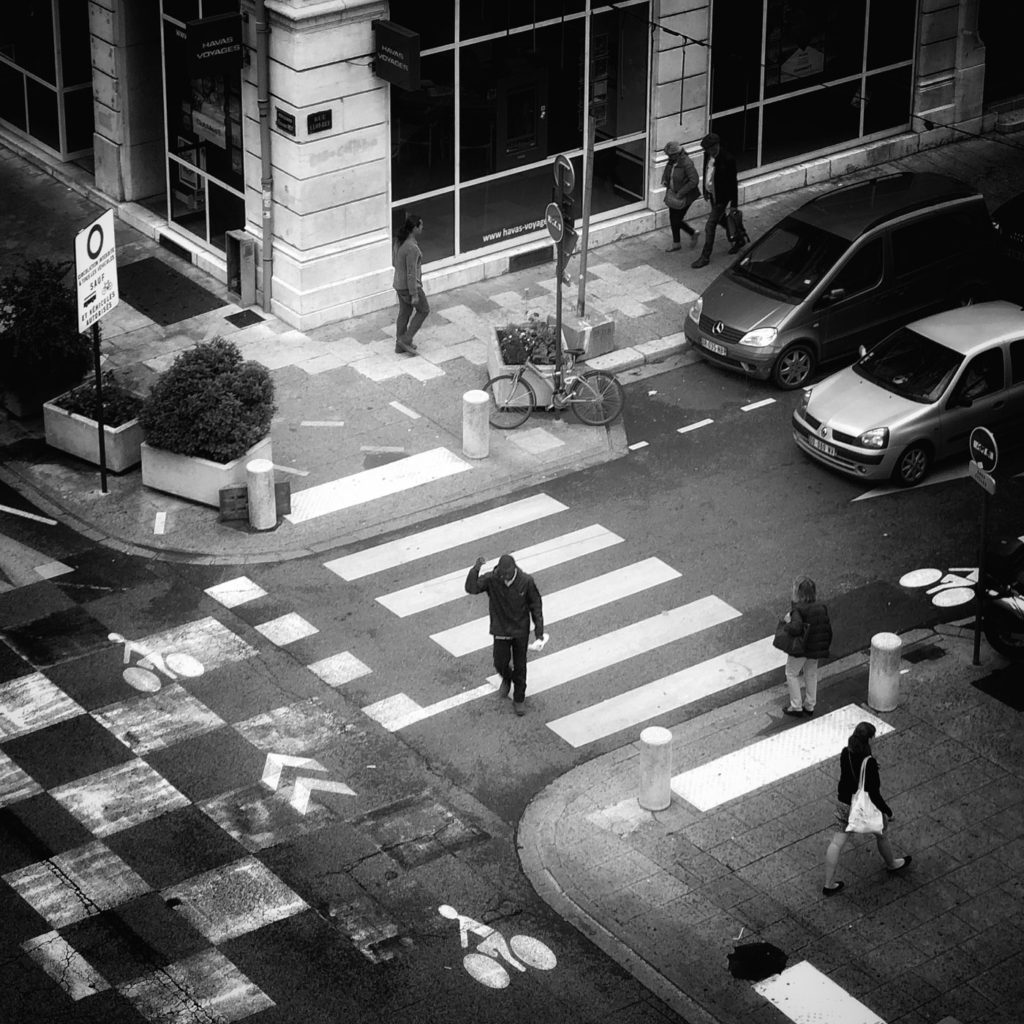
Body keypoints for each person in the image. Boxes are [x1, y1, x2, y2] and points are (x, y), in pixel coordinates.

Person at [823, 721, 911, 896]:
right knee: (881, 834)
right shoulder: (869, 763)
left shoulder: (845, 753)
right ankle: (892, 864)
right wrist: (887, 811)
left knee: (836, 843)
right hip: (863, 806)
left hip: (843, 803)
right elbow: (874, 793)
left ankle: (828, 884)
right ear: (869, 739)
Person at [465, 554, 544, 717]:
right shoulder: (493, 579)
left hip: (520, 631)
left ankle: (519, 698)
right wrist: (476, 569)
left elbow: (536, 606)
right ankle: (508, 679)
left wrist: (539, 633)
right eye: (503, 575)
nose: (505, 578)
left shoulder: (526, 581)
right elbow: (471, 588)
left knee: (520, 666)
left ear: (514, 570)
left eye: (507, 575)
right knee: (499, 663)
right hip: (500, 630)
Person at [692, 132, 745, 269]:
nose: (708, 151)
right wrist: (705, 190)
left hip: (722, 196)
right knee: (721, 219)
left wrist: (734, 204)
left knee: (710, 225)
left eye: (710, 148)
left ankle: (705, 256)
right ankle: (738, 238)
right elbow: (707, 172)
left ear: (716, 146)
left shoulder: (727, 159)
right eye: (706, 149)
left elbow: (733, 183)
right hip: (713, 194)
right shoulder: (707, 156)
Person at [781, 575, 832, 717]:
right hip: (816, 649)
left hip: (801, 649)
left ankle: (796, 706)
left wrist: (787, 622)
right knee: (811, 674)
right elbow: (827, 629)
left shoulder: (798, 610)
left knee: (791, 673)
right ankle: (810, 705)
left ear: (798, 593)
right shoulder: (821, 607)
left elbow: (796, 629)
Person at [393, 214, 429, 355]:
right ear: (414, 228)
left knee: (404, 312)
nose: (422, 227)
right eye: (420, 225)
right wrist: (414, 294)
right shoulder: (411, 248)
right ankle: (405, 340)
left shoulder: (399, 241)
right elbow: (411, 273)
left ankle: (399, 344)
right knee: (423, 310)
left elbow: (395, 262)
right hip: (409, 287)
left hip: (398, 284)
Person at [661, 141, 701, 251]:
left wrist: (681, 193)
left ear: (676, 154)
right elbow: (668, 171)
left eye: (670, 155)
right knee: (674, 218)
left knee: (676, 219)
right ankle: (677, 242)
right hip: (673, 194)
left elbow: (694, 181)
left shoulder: (686, 163)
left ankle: (691, 233)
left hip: (685, 196)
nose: (668, 157)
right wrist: (665, 180)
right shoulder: (672, 161)